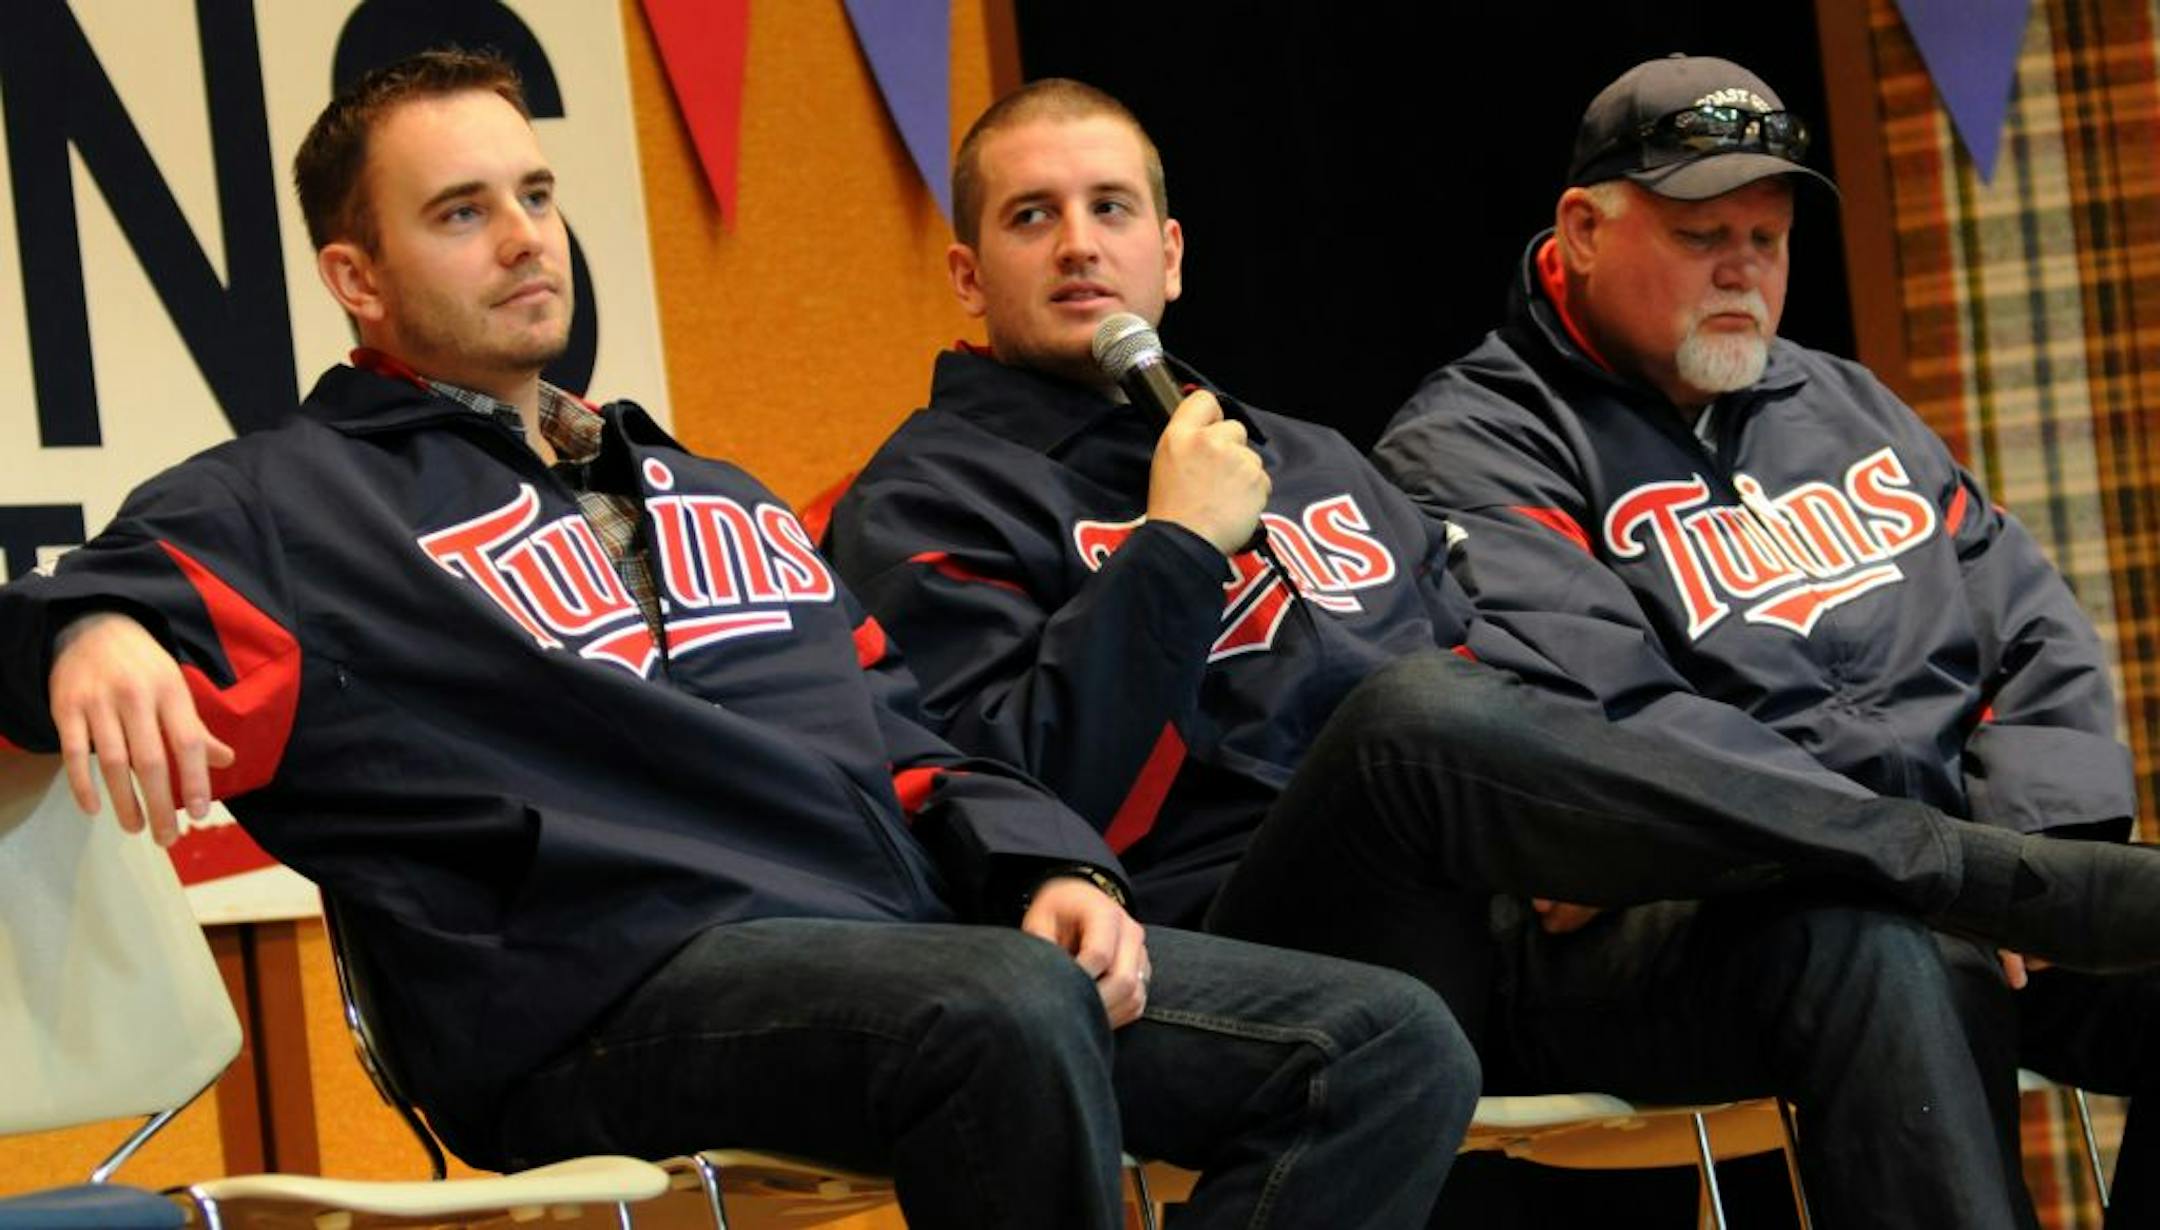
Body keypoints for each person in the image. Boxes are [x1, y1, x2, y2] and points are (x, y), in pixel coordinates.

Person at [0, 51, 1484, 1230]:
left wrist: (1047, 864)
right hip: (594, 1000)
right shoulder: (287, 505)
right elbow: (45, 633)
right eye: (461, 212)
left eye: (535, 193)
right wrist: (90, 632)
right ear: (357, 278)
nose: (524, 238)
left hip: (897, 955)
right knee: (1002, 1004)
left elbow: (903, 738)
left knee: (1385, 1045)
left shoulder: (708, 489)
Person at [823, 75, 2160, 1227]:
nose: (1079, 244)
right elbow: (1032, 799)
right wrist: (1173, 550)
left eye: (1111, 208)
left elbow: (1506, 681)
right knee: (1407, 724)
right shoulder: (928, 498)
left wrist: (1579, 828)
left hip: (1498, 932)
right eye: (1032, 215)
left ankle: (1934, 887)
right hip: (1239, 948)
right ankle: (1972, 872)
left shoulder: (1304, 456)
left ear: (1170, 255)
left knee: (1864, 946)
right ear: (968, 272)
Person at [1374, 53, 2160, 1226]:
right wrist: (1921, 862)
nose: (1743, 268)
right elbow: (1610, 732)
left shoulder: (1846, 404)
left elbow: (2029, 631)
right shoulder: (1470, 445)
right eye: (1703, 236)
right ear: (1583, 230)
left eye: (1768, 238)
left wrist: (2024, 854)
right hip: (1655, 926)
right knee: (1888, 948)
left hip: (1936, 887)